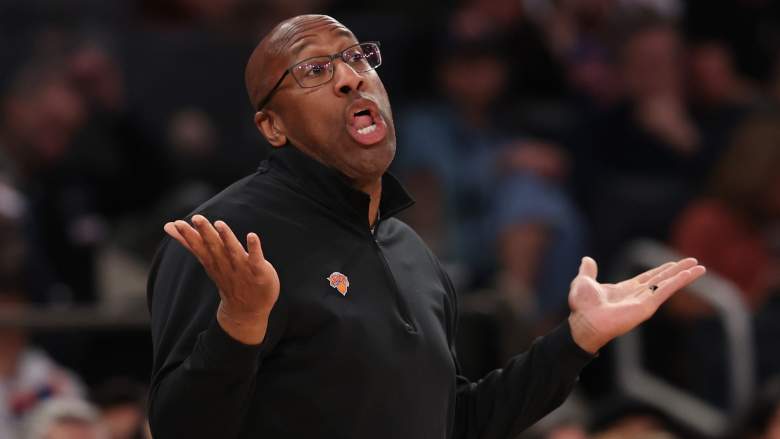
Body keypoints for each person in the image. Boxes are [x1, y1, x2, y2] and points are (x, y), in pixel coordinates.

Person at [147, 14, 706, 439]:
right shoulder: (225, 235)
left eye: (357, 58)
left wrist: (577, 340)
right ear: (272, 126)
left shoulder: (409, 251)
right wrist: (239, 326)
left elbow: (457, 423)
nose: (349, 79)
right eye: (314, 70)